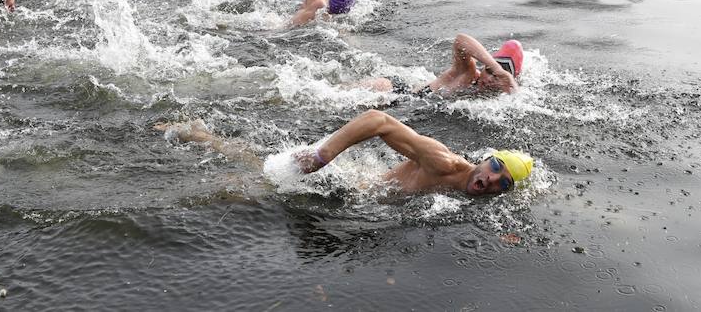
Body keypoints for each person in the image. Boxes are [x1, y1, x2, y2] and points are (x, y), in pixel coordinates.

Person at [157, 110, 534, 196]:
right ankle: (199, 135)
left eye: (504, 185)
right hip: (354, 190)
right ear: (486, 157)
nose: (492, 180)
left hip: (368, 193)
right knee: (258, 181)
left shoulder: (483, 197)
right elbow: (378, 119)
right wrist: (324, 155)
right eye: (497, 166)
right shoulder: (442, 161)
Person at [364, 33, 521, 97]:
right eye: (489, 71)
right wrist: (498, 69)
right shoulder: (469, 74)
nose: (492, 78)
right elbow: (461, 40)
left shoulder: (499, 103)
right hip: (398, 93)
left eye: (499, 78)